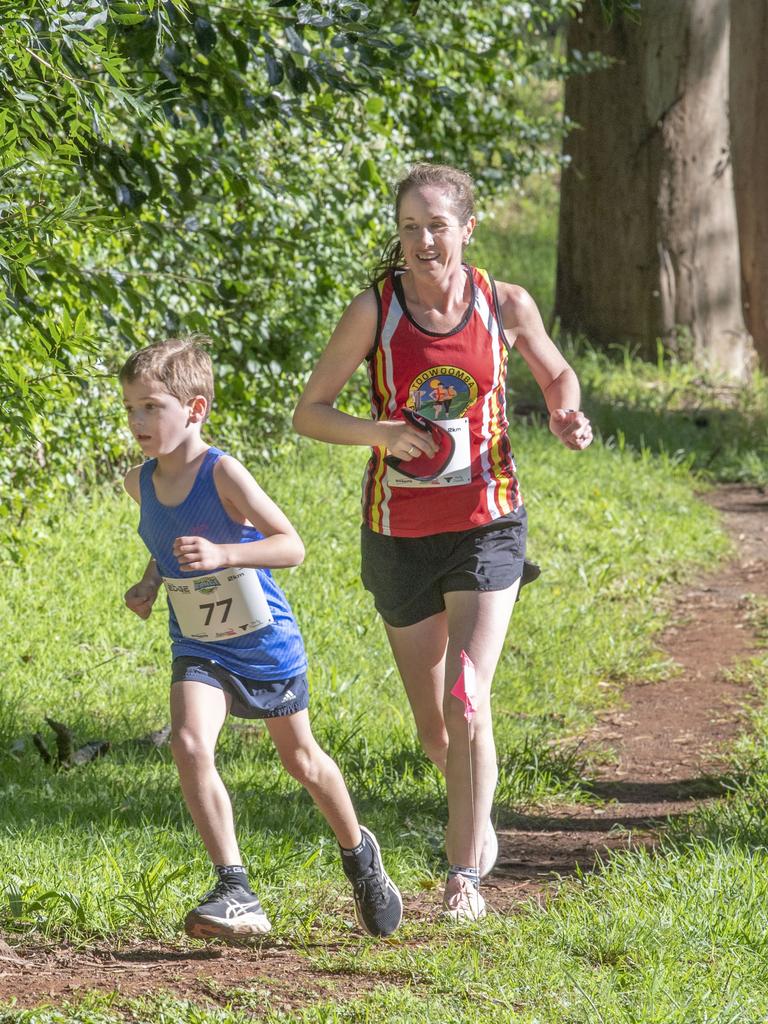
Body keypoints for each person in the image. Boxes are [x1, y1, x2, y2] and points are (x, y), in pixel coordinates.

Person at [293, 163, 592, 922]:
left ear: (467, 227)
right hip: (399, 533)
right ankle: (475, 807)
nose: (423, 240)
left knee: (469, 699)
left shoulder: (504, 303)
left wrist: (565, 414)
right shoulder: (376, 311)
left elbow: (557, 375)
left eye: (436, 225)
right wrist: (383, 434)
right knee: (435, 729)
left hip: (488, 523)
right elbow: (312, 413)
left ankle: (463, 878)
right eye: (408, 227)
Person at [119, 336, 402, 941]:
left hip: (261, 641)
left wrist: (224, 551)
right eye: (131, 409)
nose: (138, 421)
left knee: (300, 759)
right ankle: (234, 887)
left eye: (151, 407)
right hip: (198, 642)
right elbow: (162, 541)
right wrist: (148, 582)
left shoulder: (222, 472)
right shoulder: (137, 483)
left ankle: (359, 856)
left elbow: (291, 546)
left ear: (195, 409)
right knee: (191, 743)